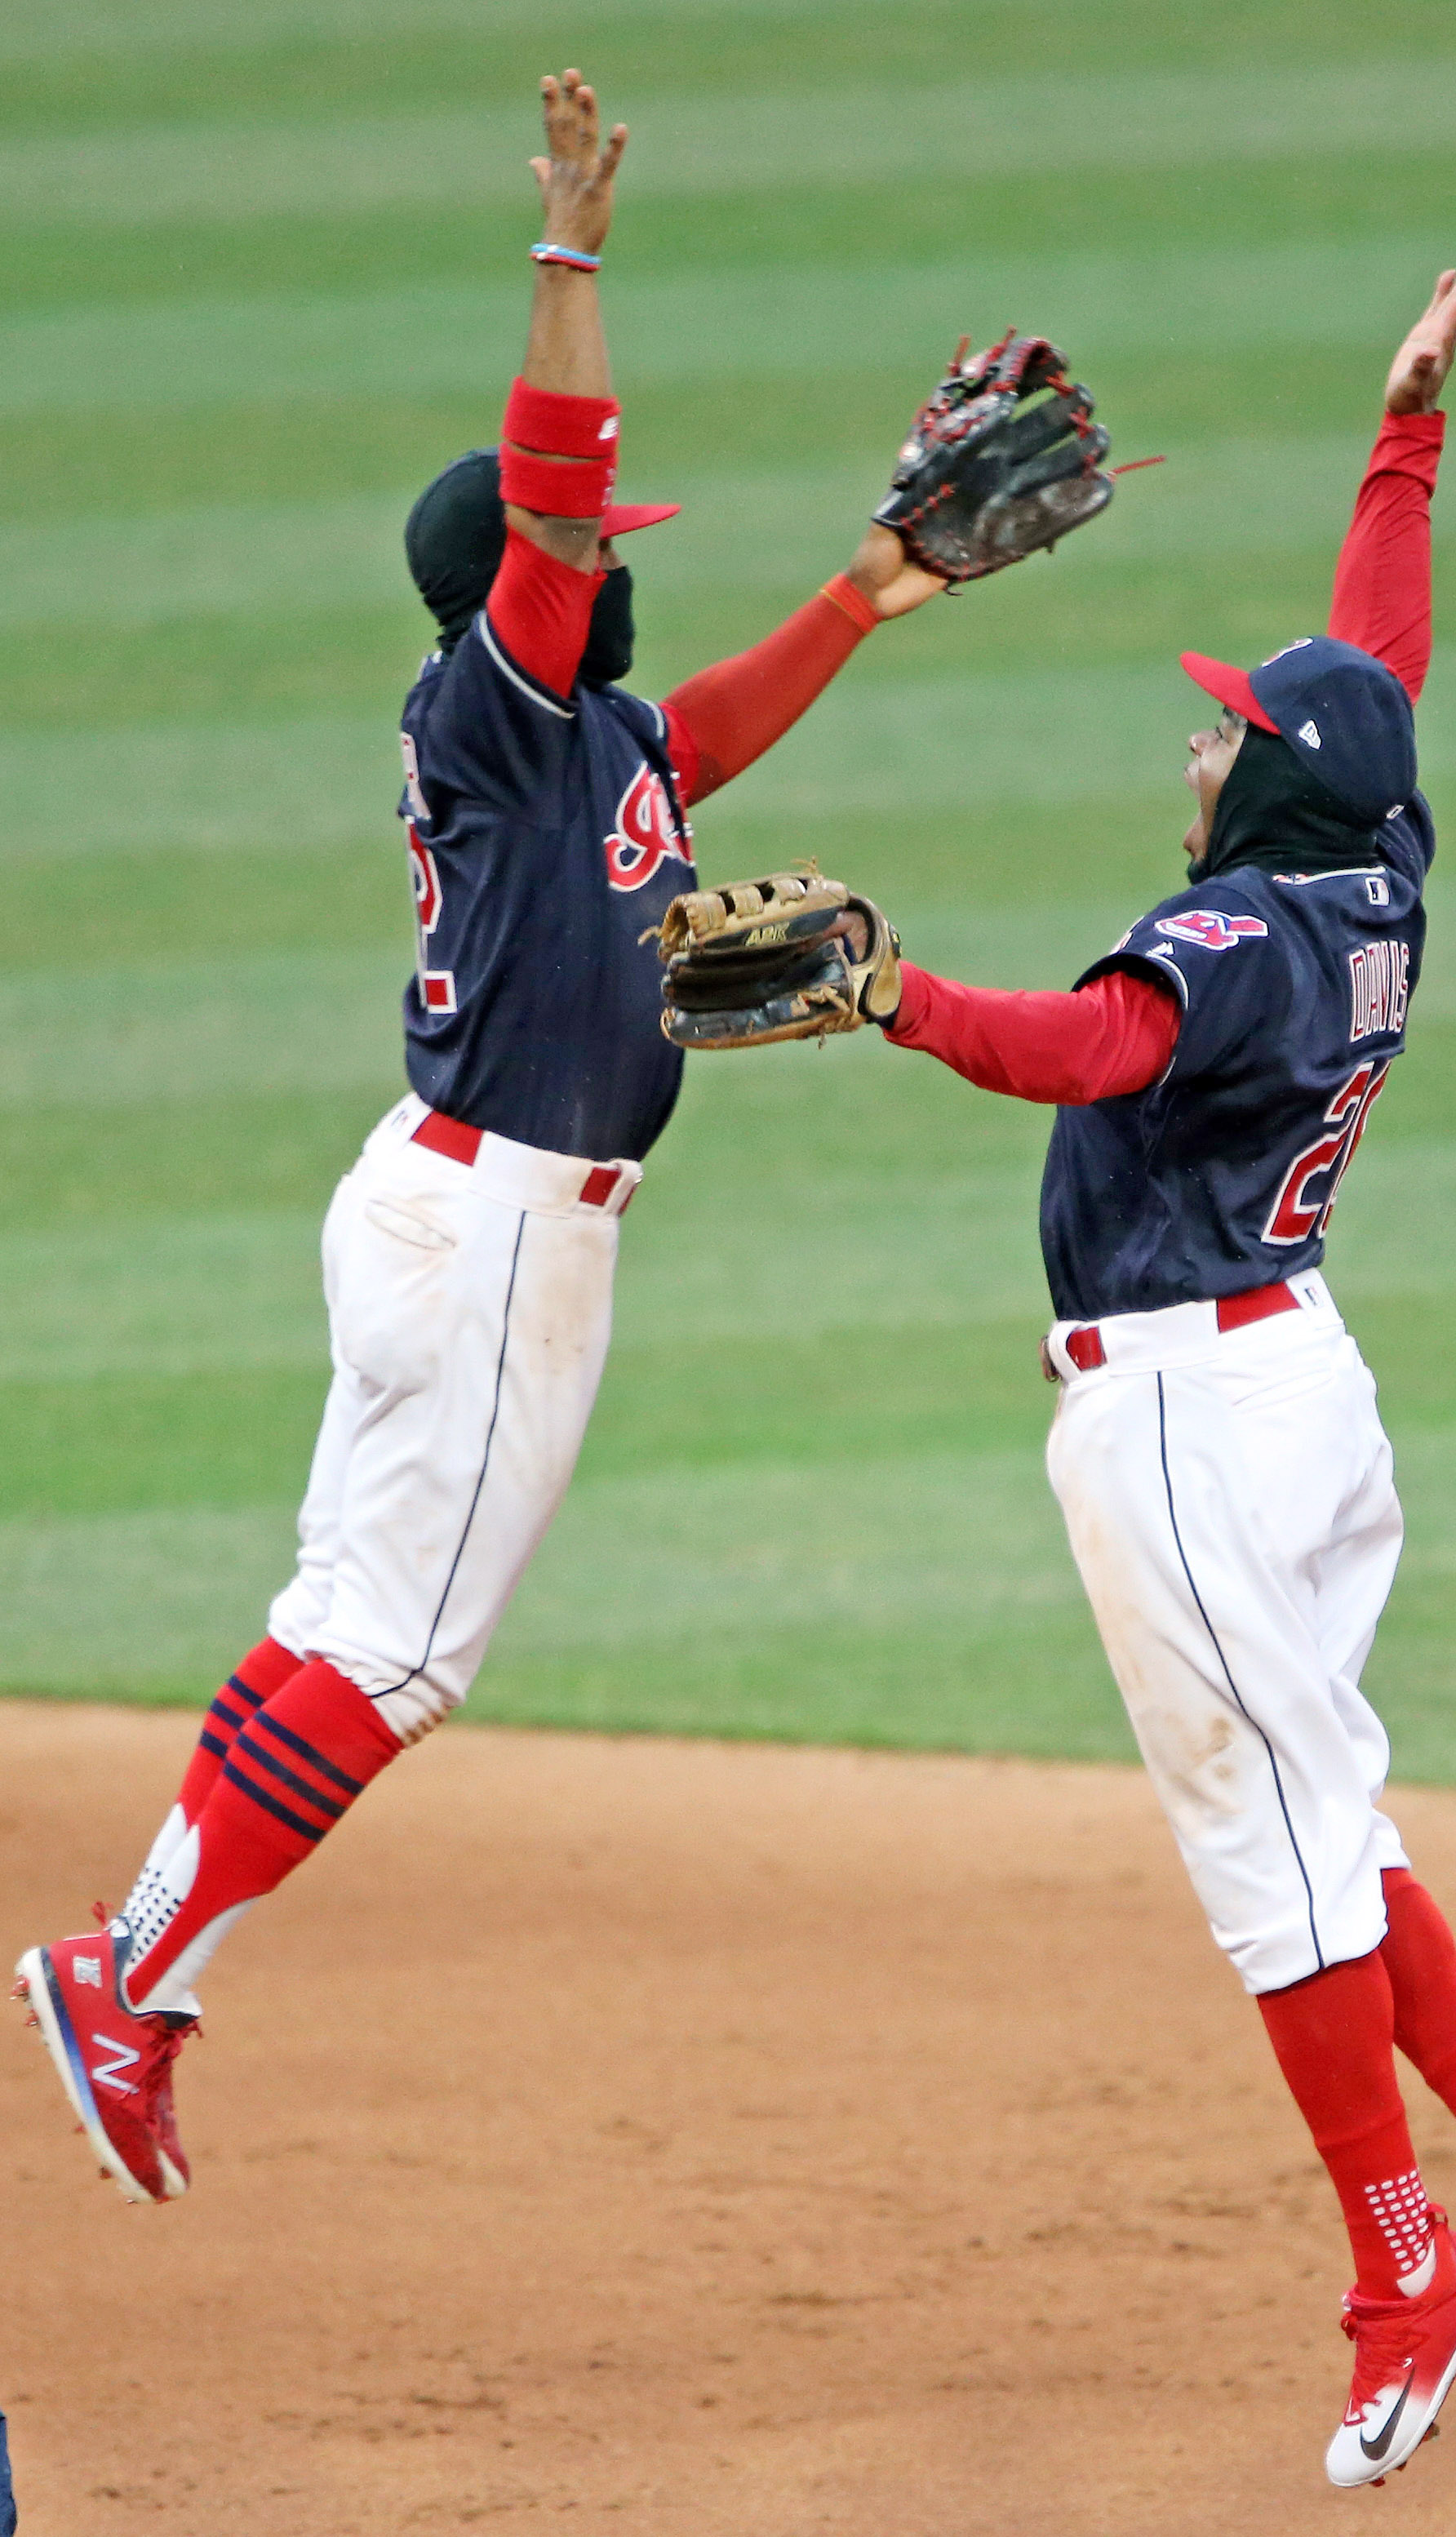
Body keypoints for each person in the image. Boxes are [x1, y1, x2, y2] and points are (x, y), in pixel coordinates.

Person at [14, 66, 949, 2211]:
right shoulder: (497, 697)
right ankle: (129, 1973)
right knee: (402, 1649)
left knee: (344, 1607)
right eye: (592, 559)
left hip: (460, 1204)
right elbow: (556, 494)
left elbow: (694, 730)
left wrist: (871, 586)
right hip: (501, 1223)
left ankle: (138, 1962)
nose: (610, 573)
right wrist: (568, 263)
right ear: (521, 586)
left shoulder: (591, 739)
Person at [850, 251, 1456, 2482]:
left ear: (1267, 793)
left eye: (1220, 729)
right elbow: (1372, 664)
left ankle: (1411, 2256)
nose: (1195, 743)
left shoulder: (1232, 937)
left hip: (1194, 1415)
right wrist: (1405, 429)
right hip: (1299, 1382)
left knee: (1266, 1863)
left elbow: (1084, 1040)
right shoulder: (1372, 862)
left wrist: (891, 988)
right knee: (1325, 1816)